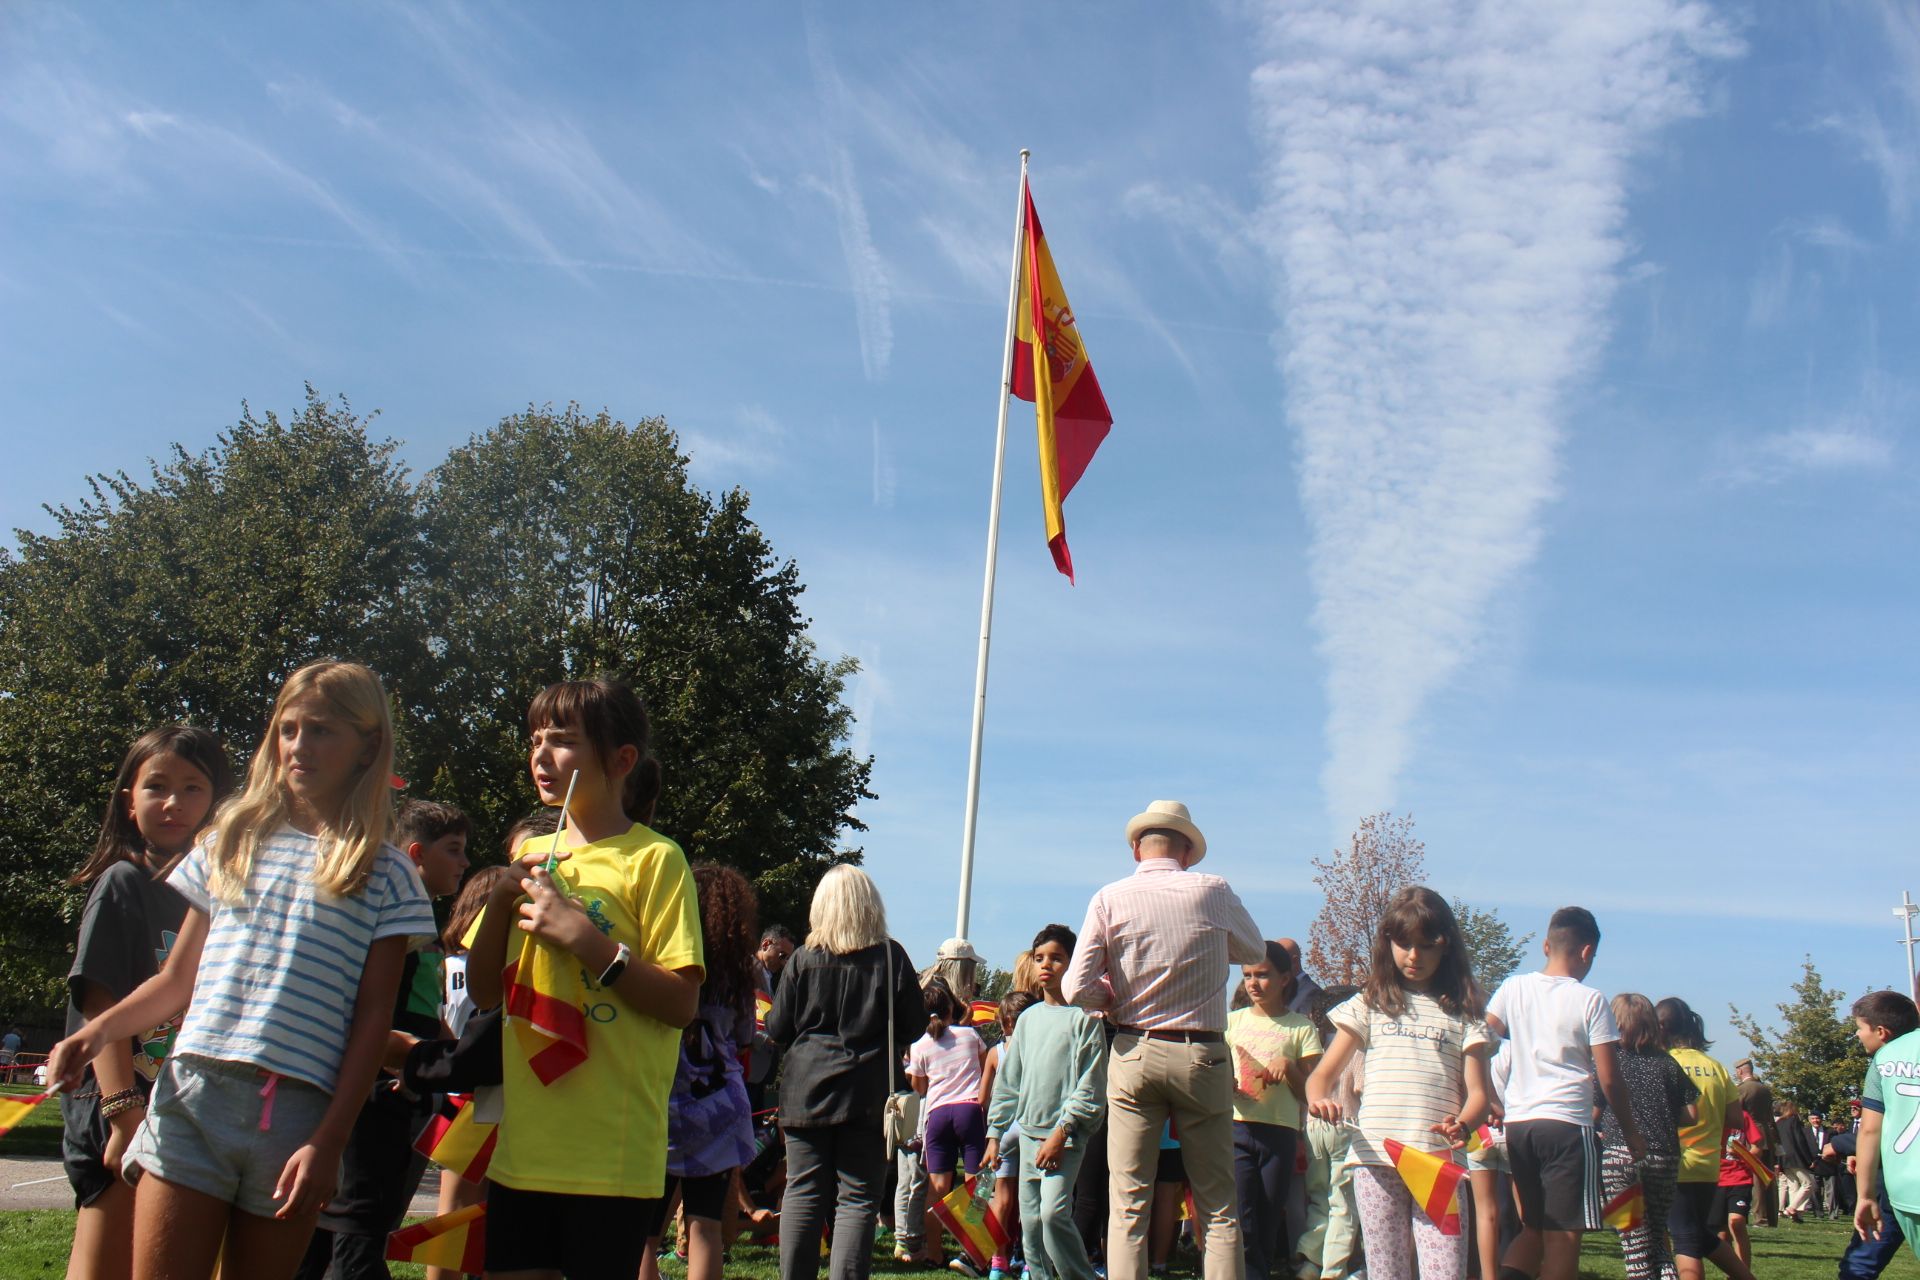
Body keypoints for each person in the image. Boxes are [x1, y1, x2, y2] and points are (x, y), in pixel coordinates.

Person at [46, 660, 436, 1280]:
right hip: (193, 1098)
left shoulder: (387, 874)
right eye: (288, 729)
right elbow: (176, 981)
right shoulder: (232, 837)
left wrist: (330, 1140)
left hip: (299, 1120)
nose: (299, 746)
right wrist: (92, 1035)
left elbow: (373, 1018)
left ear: (368, 746)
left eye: (322, 730)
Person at [466, 678, 704, 1280]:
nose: (541, 756)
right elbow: (486, 994)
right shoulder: (531, 859)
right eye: (534, 740)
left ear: (621, 760)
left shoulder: (655, 859)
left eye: (563, 741)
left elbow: (681, 1003)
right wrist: (498, 900)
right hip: (525, 1149)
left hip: (611, 1155)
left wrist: (586, 941)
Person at [1063, 800, 1263, 1280]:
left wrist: (1109, 999)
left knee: (1128, 1202)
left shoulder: (1109, 897)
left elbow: (1074, 988)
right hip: (1202, 1053)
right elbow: (1255, 950)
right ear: (1188, 851)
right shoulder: (1212, 890)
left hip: (1134, 1049)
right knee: (1216, 1204)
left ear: (1137, 848)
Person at [61, 726, 234, 1280]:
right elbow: (98, 999)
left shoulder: (216, 892)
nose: (173, 803)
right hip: (118, 1104)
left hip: (180, 1104)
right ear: (128, 800)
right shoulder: (122, 883)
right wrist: (121, 1115)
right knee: (104, 1261)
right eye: (156, 786)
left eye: (193, 789)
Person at [297, 798, 472, 1280]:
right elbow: (363, 1006)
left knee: (351, 1232)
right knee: (357, 1235)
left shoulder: (422, 923)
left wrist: (454, 1054)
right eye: (453, 850)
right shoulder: (392, 919)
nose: (464, 863)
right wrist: (395, 1055)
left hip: (407, 1096)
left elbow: (420, 1011)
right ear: (416, 854)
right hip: (376, 1099)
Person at [1306, 886, 1490, 1280]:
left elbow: (1479, 1095)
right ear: (1387, 942)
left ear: (1446, 948)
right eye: (1404, 943)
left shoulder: (1464, 1013)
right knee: (1386, 1270)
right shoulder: (1370, 1003)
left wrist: (1465, 1123)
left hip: (1438, 1162)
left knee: (1447, 1271)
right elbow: (1323, 1074)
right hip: (1375, 1158)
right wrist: (1319, 1099)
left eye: (1427, 945)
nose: (1414, 955)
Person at [766, 864, 923, 1280]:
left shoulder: (801, 959)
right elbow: (915, 1024)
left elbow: (778, 1027)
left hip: (805, 1090)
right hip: (867, 1092)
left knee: (803, 1192)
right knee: (857, 1199)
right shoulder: (891, 957)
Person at [1485, 906, 1642, 1280]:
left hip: (1520, 1125)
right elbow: (1609, 1078)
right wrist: (1632, 1133)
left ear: (1545, 945)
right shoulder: (1590, 999)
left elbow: (1479, 1042)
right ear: (1587, 951)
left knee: (1533, 1229)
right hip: (1568, 1126)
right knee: (1565, 1237)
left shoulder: (1512, 987)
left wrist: (1488, 1097)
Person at [638, 865, 762, 1280]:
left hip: (660, 1099)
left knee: (645, 1233)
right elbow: (746, 1035)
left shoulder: (662, 954)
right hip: (719, 1105)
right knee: (705, 1226)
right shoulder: (742, 972)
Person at [985, 923, 1107, 1280]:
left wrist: (1062, 1131)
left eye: (1056, 958)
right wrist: (994, 1135)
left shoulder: (1086, 1019)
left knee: (1054, 1216)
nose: (1046, 965)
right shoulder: (1027, 1019)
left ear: (1074, 964)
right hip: (1027, 1136)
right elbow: (1009, 1082)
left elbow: (1090, 1086)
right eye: (1040, 958)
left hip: (1064, 1139)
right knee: (1033, 1225)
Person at [1227, 941, 1321, 1280]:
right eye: (1247, 975)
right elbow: (1214, 1074)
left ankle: (1259, 1272)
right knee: (1241, 1216)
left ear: (1285, 978)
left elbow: (1310, 1093)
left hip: (1280, 1132)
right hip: (1237, 1129)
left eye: (1263, 975)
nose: (1253, 983)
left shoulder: (1301, 1028)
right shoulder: (1230, 1023)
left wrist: (1290, 1068)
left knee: (1268, 1215)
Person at [1596, 993, 1697, 1280]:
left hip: (1619, 1156)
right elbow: (1693, 1114)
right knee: (1656, 1237)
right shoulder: (1668, 1063)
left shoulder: (1606, 1061)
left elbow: (1593, 1108)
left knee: (1634, 1245)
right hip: (1664, 1157)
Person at [1658, 996, 1755, 1280]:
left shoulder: (1663, 1064)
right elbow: (1737, 1120)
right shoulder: (1716, 1067)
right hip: (1710, 1165)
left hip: (1675, 1162)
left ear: (1660, 1028)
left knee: (1685, 1237)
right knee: (1698, 1232)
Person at [1843, 989, 1920, 1280]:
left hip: (1903, 1187)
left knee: (1860, 1266)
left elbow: (1870, 1129)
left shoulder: (1887, 1057)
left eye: (1859, 1029)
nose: (1858, 1036)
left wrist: (1864, 1194)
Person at [1296, 985, 1361, 1280]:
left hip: (1313, 1125)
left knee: (1319, 1196)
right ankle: (1333, 1271)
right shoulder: (1356, 1046)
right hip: (1345, 1123)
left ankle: (1310, 1259)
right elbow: (1360, 1087)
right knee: (1343, 1205)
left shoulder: (1320, 1043)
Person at [1732, 1059, 1780, 1227]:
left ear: (1739, 1071)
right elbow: (1771, 1117)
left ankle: (1760, 1218)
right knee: (1767, 1177)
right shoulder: (1764, 1089)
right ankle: (1772, 1217)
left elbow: (1735, 1114)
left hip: (1750, 1135)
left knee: (1755, 1177)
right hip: (1766, 1133)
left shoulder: (1742, 1089)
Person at [1775, 1099, 1817, 1223]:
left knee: (1793, 1186)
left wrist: (1778, 1160)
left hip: (1783, 1157)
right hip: (1795, 1156)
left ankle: (1797, 1215)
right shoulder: (1794, 1121)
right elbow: (1800, 1140)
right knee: (1808, 1184)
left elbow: (1777, 1143)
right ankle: (1792, 1208)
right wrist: (1809, 1158)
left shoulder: (1778, 1123)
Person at [1273, 939, 1323, 1018]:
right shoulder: (1276, 992)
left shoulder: (1312, 993)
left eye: (1277, 962)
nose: (1272, 967)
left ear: (1294, 961)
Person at [758, 924, 797, 991]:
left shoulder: (767, 975)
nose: (784, 963)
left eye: (787, 958)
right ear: (766, 945)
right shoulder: (747, 971)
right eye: (782, 955)